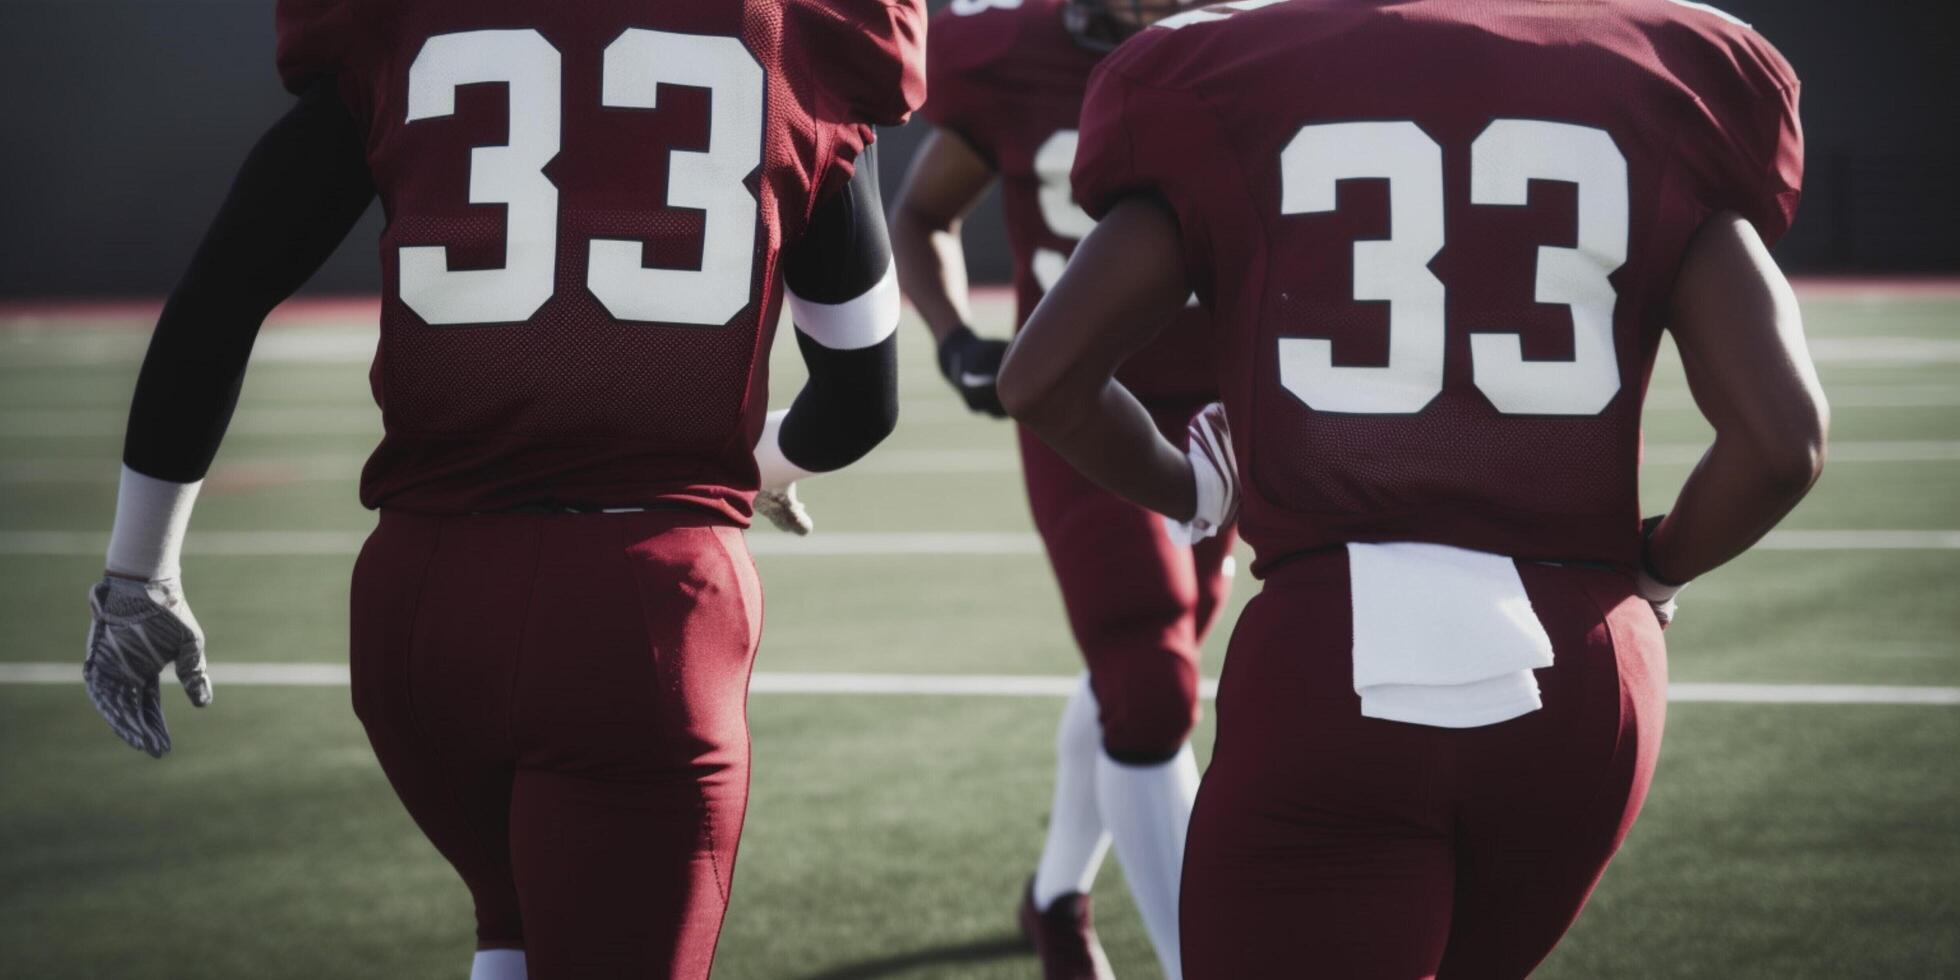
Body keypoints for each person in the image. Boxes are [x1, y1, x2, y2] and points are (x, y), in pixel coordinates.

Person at [79, 1, 924, 975]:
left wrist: (138, 572)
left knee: (514, 928)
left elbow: (218, 297)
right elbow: (860, 400)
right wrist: (749, 466)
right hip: (637, 615)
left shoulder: (406, 27)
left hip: (417, 613)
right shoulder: (794, 34)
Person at [998, 0, 1826, 975]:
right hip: (1585, 671)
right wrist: (1654, 566)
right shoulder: (1655, 69)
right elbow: (1782, 439)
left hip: (1334, 659)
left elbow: (1042, 379)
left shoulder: (1228, 70)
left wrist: (1195, 489)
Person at [891, 2, 1228, 975]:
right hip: (1082, 400)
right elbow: (918, 211)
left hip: (1215, 409)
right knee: (1150, 678)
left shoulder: (1250, 47)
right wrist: (954, 337)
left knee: (1140, 666)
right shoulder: (1010, 54)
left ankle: (1053, 895)